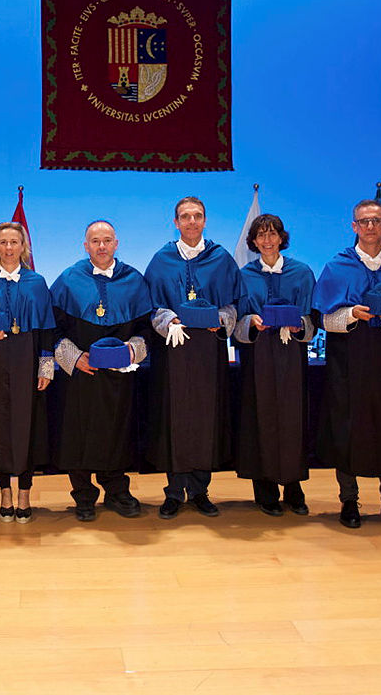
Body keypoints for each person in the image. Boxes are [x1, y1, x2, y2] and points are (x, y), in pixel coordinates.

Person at [313, 199, 381, 530]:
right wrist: (351, 314)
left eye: (376, 221)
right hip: (349, 364)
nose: (370, 227)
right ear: (354, 227)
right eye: (364, 221)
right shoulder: (337, 267)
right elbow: (323, 319)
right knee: (348, 429)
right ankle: (349, 500)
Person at [143, 196, 244, 519]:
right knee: (175, 420)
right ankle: (173, 492)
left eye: (197, 216)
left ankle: (200, 490)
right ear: (175, 222)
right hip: (173, 354)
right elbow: (151, 306)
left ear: (205, 221)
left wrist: (221, 320)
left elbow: (233, 305)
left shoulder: (221, 259)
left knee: (204, 419)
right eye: (185, 217)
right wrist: (168, 320)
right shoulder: (161, 260)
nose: (191, 222)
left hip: (208, 353)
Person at [50, 220, 152, 521]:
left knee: (116, 432)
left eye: (107, 240)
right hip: (81, 375)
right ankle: (83, 495)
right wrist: (75, 357)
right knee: (77, 434)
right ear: (85, 246)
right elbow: (52, 329)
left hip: (120, 376)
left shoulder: (134, 280)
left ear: (116, 243)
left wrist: (131, 351)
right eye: (95, 241)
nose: (102, 246)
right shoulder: (68, 280)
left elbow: (146, 328)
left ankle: (117, 491)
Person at [231, 214, 317, 516]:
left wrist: (299, 326)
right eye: (261, 236)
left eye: (272, 234)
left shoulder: (302, 273)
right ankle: (265, 488)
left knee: (292, 419)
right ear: (253, 241)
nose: (267, 241)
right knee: (261, 417)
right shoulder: (243, 275)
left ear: (282, 238)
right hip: (257, 357)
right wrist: (250, 322)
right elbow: (236, 320)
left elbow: (312, 320)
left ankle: (293, 486)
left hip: (291, 356)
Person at [0, 222, 55, 523]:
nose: (8, 248)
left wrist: (46, 366)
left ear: (23, 247)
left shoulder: (37, 281)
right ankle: (4, 492)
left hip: (27, 359)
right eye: (3, 242)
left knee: (26, 427)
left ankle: (24, 494)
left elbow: (46, 328)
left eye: (14, 242)